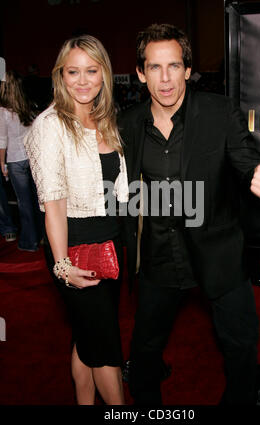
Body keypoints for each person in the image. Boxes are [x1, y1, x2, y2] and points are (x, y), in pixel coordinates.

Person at [118, 23, 260, 405]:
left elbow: (247, 164)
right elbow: (116, 190)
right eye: (155, 68)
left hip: (217, 250)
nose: (165, 79)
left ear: (189, 70)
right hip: (160, 255)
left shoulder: (219, 112)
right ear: (141, 73)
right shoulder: (126, 124)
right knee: (144, 353)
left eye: (174, 66)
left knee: (241, 346)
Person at [24, 35, 129, 405]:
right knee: (106, 349)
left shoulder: (105, 118)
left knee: (88, 338)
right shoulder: (49, 126)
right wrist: (62, 265)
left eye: (91, 70)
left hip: (110, 244)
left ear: (104, 75)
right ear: (60, 75)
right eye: (73, 71)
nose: (82, 81)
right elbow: (52, 205)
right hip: (74, 247)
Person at [0, 71, 43, 252]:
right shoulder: (27, 106)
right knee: (39, 201)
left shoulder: (3, 112)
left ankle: (29, 242)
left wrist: (2, 164)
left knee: (24, 204)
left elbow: (2, 141)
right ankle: (43, 237)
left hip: (16, 161)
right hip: (32, 157)